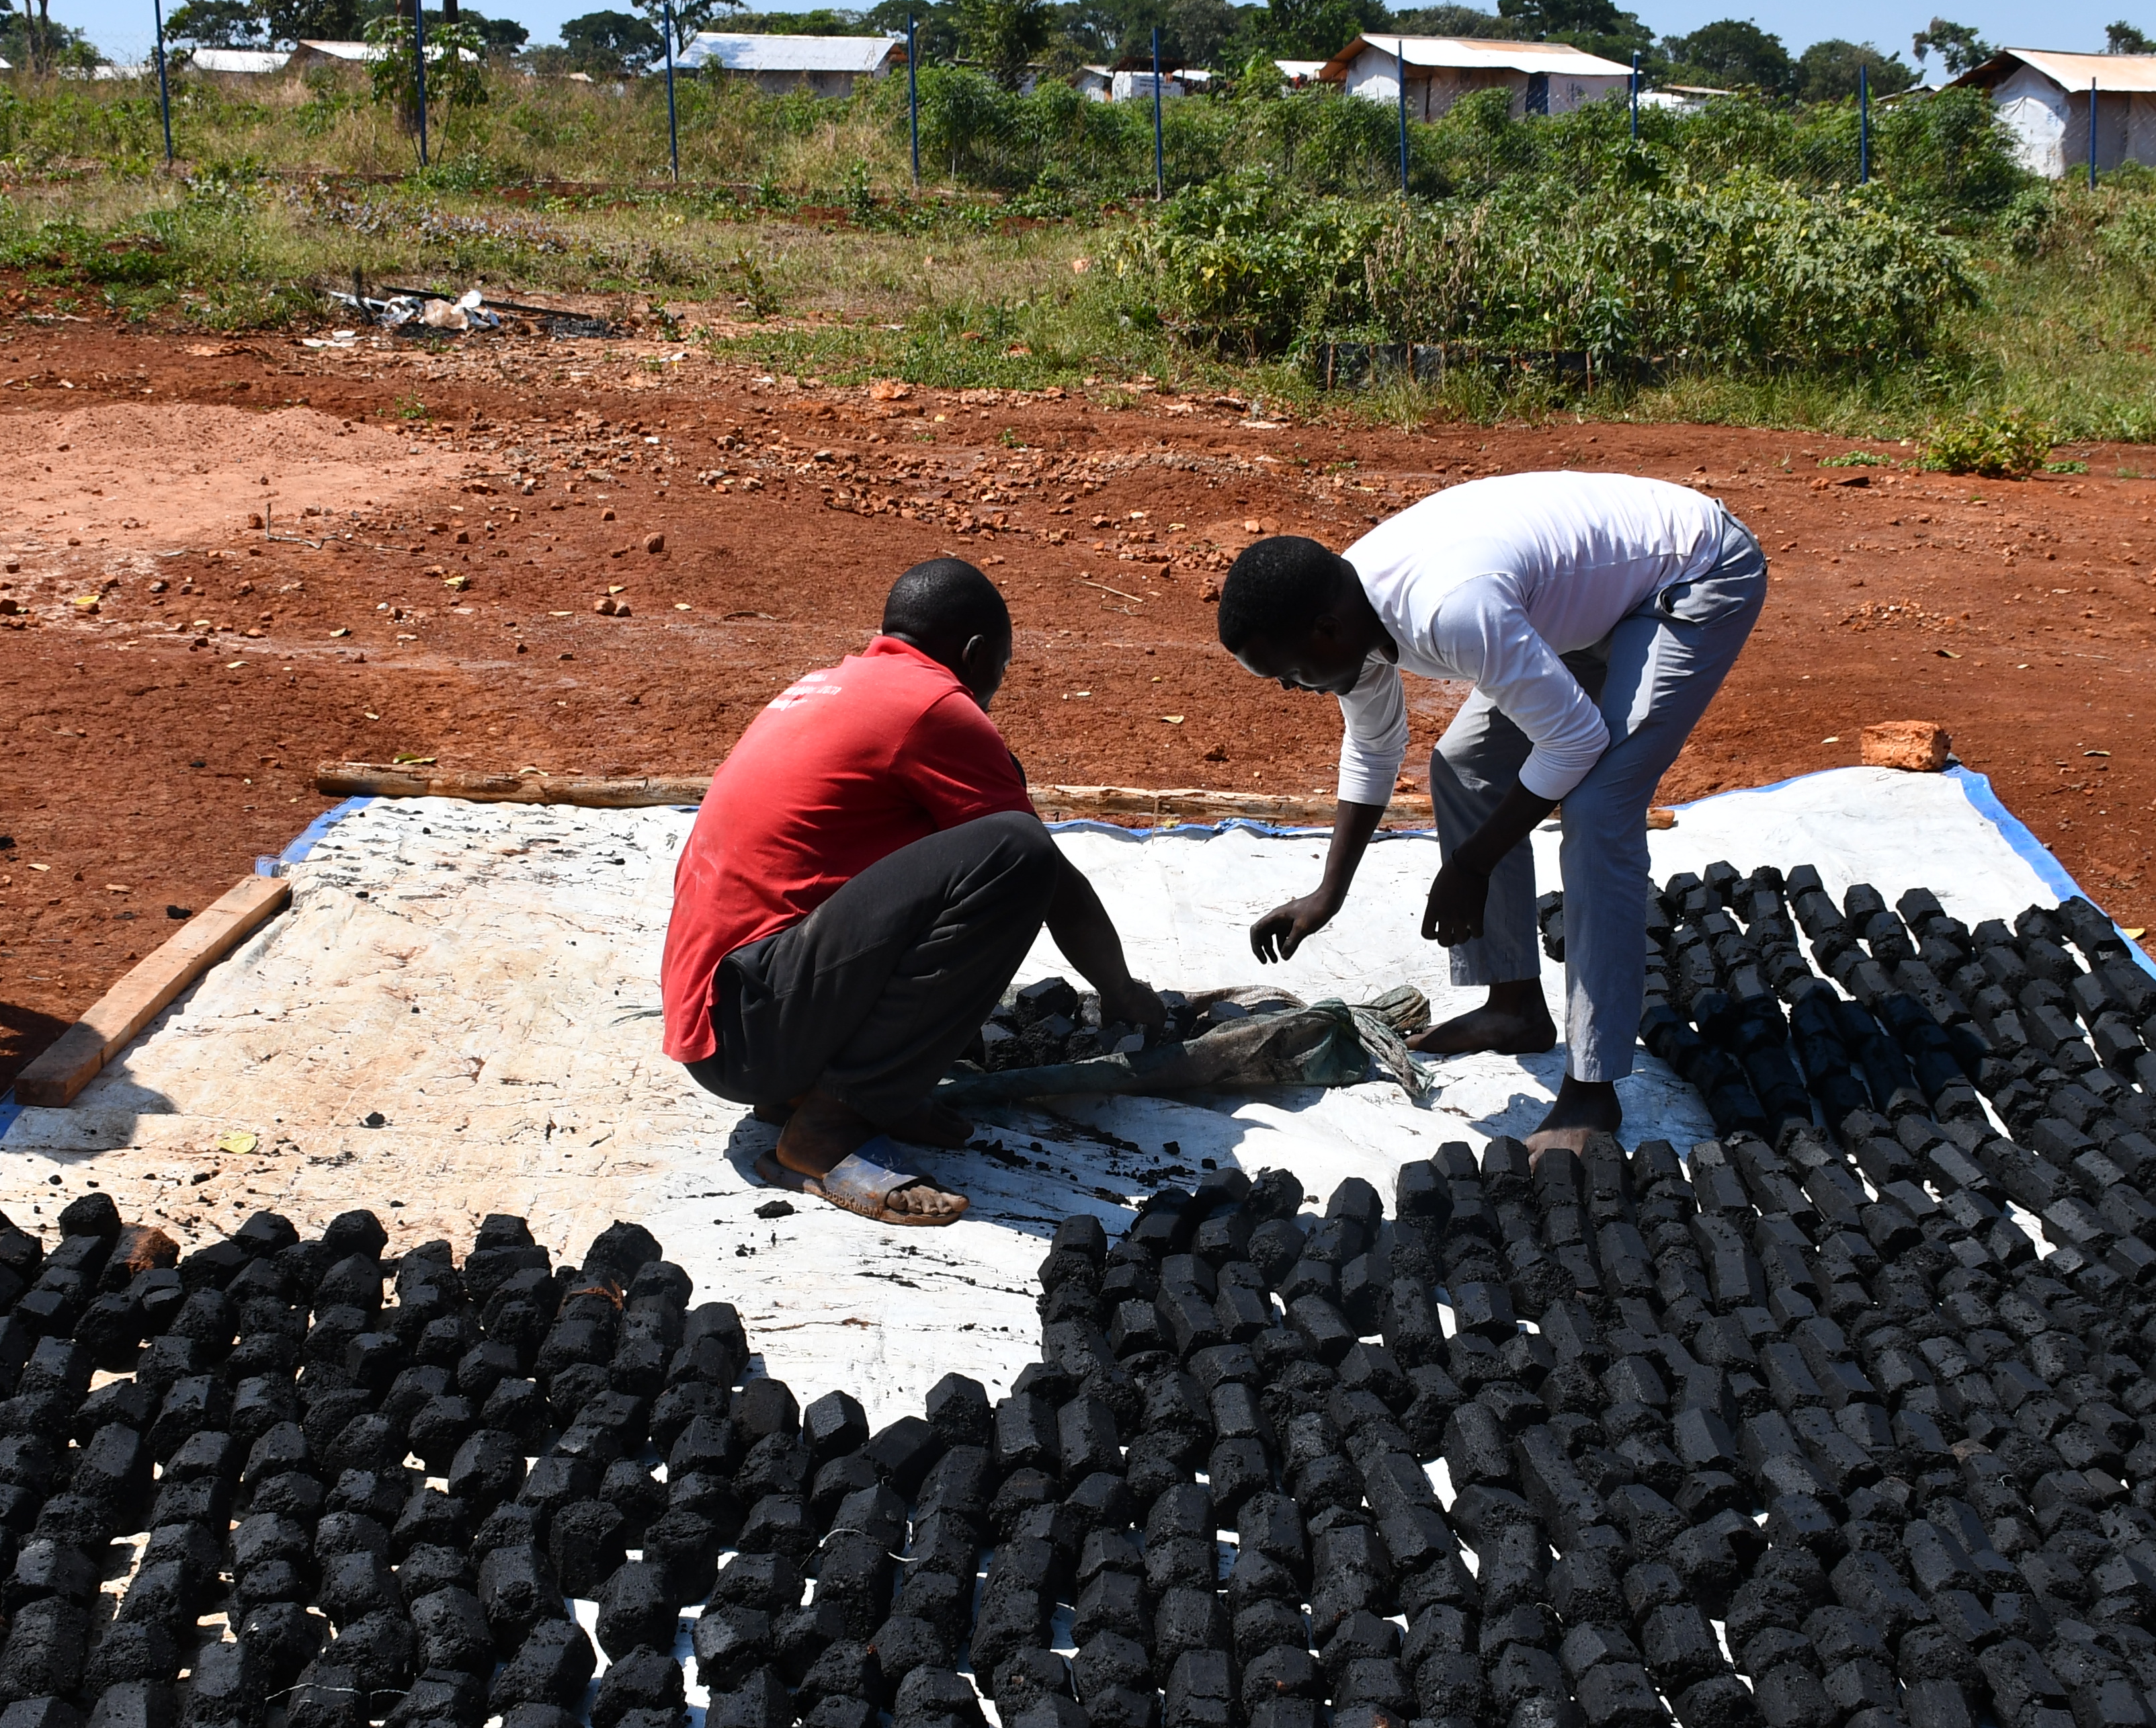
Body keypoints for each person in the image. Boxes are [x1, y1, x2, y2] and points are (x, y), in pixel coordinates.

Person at [1217, 470, 1769, 1156]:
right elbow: (1374, 742)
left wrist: (1473, 863)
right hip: (1592, 596)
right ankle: (1515, 1009)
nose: (1293, 689)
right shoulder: (1348, 603)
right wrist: (1328, 893)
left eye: (1289, 673)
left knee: (1598, 809)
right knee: (1467, 764)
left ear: (1326, 631)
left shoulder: (1449, 610)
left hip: (1688, 574)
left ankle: (1593, 1091)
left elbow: (1576, 741)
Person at [664, 557, 1167, 1227]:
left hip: (730, 1017)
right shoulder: (934, 708)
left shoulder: (833, 685)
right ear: (976, 653)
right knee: (1014, 848)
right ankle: (828, 1127)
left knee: (978, 828)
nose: (993, 695)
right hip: (752, 1025)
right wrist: (1122, 991)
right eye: (1001, 671)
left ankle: (820, 1094)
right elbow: (1050, 878)